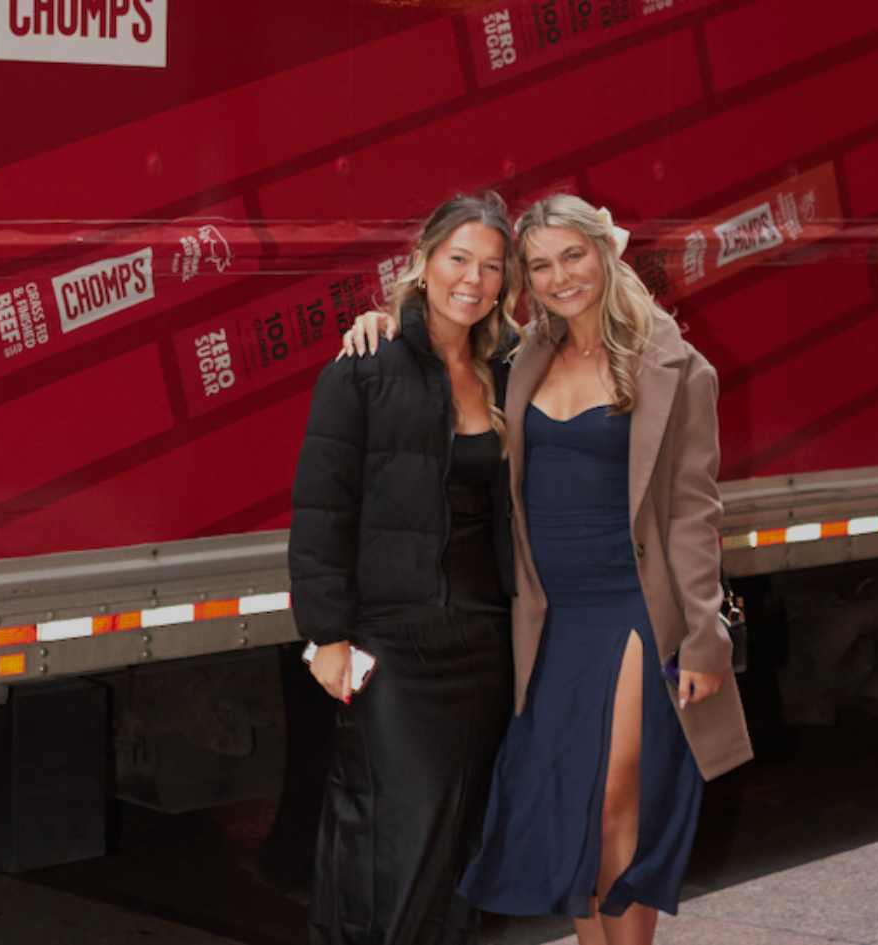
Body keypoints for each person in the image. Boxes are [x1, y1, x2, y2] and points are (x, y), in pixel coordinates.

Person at [343, 194, 753, 945]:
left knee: (618, 804)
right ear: (523, 280)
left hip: (634, 608)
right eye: (539, 265)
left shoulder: (673, 367)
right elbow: (445, 343)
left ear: (605, 253)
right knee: (572, 813)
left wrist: (704, 635)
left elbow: (695, 514)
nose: (560, 276)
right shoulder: (519, 355)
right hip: (549, 618)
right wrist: (382, 324)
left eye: (573, 255)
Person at [287, 192, 521, 945]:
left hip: (484, 642)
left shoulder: (512, 369)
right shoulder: (365, 365)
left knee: (461, 839)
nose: (473, 279)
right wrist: (327, 635)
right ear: (422, 261)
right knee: (389, 839)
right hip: (392, 646)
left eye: (492, 266)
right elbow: (322, 508)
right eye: (459, 258)